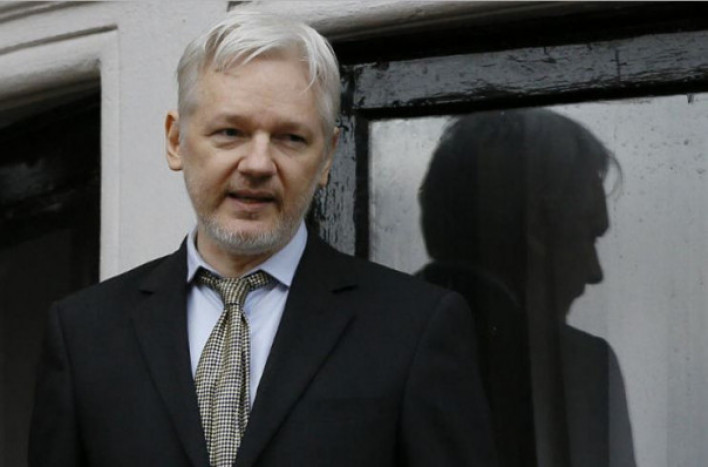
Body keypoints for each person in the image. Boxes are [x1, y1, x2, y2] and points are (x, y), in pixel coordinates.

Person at [28, 12, 496, 467]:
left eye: (290, 138)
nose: (257, 164)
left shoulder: (413, 329)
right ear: (176, 140)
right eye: (230, 132)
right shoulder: (84, 334)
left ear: (327, 157)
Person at [418, 109, 636, 467]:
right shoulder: (582, 367)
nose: (594, 273)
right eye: (587, 236)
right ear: (537, 228)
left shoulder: (368, 338)